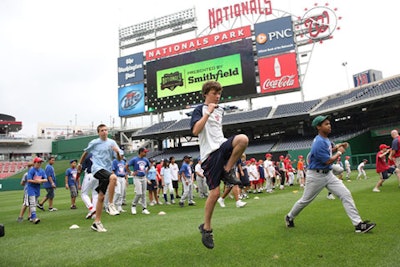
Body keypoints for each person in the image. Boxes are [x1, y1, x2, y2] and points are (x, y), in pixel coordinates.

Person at [285, 115, 376, 233]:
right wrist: (339, 152)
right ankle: (290, 216)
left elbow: (328, 150)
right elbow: (327, 160)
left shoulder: (325, 139)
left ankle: (358, 225)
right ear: (318, 127)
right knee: (305, 200)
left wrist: (337, 146)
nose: (329, 125)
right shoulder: (319, 142)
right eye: (326, 124)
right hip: (316, 175)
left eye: (329, 123)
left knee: (345, 194)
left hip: (328, 174)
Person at [191, 80, 248, 249]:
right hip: (209, 155)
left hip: (221, 147)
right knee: (214, 193)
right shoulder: (199, 109)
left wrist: (234, 152)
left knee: (242, 139)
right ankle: (206, 228)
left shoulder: (220, 110)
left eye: (219, 94)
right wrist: (207, 112)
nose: (217, 97)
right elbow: (195, 131)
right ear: (206, 94)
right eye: (214, 93)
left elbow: (217, 132)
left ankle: (227, 170)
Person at [78, 124, 122, 232]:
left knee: (101, 196)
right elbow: (85, 152)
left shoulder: (112, 143)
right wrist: (80, 164)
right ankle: (111, 205)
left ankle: (96, 222)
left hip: (106, 170)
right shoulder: (94, 142)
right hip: (97, 169)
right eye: (102, 130)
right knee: (113, 178)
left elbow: (120, 159)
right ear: (98, 132)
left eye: (106, 130)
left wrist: (117, 152)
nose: (104, 132)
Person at [127, 147, 151, 215]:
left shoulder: (145, 160)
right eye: (145, 152)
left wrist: (146, 171)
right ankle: (133, 205)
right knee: (139, 193)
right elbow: (127, 166)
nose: (146, 153)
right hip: (137, 177)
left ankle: (144, 208)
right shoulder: (135, 159)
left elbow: (148, 166)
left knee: (143, 194)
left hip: (143, 177)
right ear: (141, 152)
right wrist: (131, 173)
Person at [26, 157, 48, 224]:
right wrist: (36, 181)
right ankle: (34, 217)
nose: (39, 164)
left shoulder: (42, 171)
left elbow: (46, 179)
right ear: (34, 163)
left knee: (34, 203)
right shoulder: (31, 170)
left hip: (37, 188)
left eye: (40, 162)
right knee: (32, 202)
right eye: (38, 162)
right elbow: (29, 180)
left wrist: (40, 180)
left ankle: (31, 217)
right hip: (31, 188)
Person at [80, 153, 99, 219]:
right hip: (98, 175)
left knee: (83, 194)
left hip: (89, 174)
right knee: (95, 194)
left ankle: (91, 209)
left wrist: (77, 177)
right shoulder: (99, 155)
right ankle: (94, 214)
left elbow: (82, 168)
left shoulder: (87, 155)